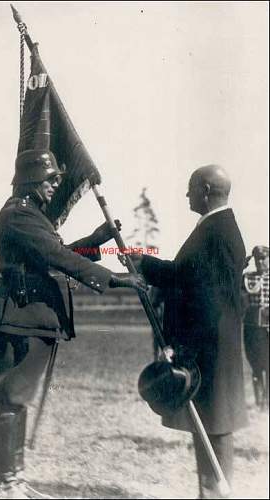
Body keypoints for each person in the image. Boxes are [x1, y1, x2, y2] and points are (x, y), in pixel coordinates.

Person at [0, 149, 146, 499]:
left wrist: (96, 240)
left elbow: (57, 250)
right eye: (50, 178)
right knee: (11, 396)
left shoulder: (30, 215)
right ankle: (5, 483)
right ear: (29, 178)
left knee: (16, 397)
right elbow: (56, 257)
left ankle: (13, 479)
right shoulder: (19, 215)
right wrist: (114, 279)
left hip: (28, 316)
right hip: (21, 314)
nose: (56, 184)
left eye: (56, 178)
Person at [124, 165, 248, 499]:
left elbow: (204, 297)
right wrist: (143, 262)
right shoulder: (216, 228)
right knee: (210, 421)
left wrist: (182, 345)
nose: (187, 194)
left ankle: (215, 493)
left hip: (209, 347)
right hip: (211, 345)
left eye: (191, 187)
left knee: (215, 424)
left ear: (206, 190)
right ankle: (209, 492)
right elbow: (186, 276)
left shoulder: (217, 231)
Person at [242, 245, 269, 410]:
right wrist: (242, 264)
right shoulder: (248, 278)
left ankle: (267, 401)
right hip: (253, 328)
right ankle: (259, 401)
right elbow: (231, 282)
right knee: (255, 362)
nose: (261, 262)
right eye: (257, 258)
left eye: (264, 258)